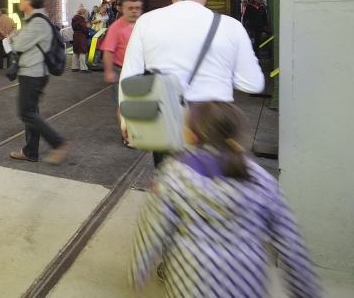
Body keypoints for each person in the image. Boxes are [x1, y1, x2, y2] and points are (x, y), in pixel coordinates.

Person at [130, 102, 321, 297]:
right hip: (247, 284)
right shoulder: (260, 180)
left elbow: (152, 226)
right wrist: (304, 290)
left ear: (191, 136)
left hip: (190, 283)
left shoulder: (174, 173)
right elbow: (291, 242)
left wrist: (139, 266)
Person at [120, 0, 264, 168]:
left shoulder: (146, 22)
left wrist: (128, 122)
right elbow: (252, 84)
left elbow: (130, 77)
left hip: (166, 121)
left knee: (172, 187)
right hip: (215, 125)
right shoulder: (232, 26)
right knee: (214, 190)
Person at [8, 0, 71, 165]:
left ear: (29, 2)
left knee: (26, 113)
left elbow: (18, 44)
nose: (20, 2)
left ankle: (58, 143)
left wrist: (15, 37)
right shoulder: (32, 21)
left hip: (33, 74)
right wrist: (16, 36)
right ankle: (30, 152)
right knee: (31, 112)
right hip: (31, 72)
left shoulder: (37, 22)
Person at [99, 0, 143, 147]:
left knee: (140, 104)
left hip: (142, 71)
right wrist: (109, 71)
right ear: (123, 9)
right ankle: (127, 136)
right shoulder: (116, 28)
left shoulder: (143, 25)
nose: (134, 11)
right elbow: (108, 51)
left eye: (137, 8)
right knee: (123, 105)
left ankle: (140, 132)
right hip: (122, 70)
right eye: (130, 8)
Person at [71, 7, 90, 73]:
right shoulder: (81, 20)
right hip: (81, 36)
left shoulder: (74, 19)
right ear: (82, 13)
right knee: (82, 51)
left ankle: (74, 67)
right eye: (84, 13)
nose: (85, 15)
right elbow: (84, 29)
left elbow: (73, 28)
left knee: (75, 52)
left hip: (75, 35)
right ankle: (83, 68)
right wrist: (88, 34)